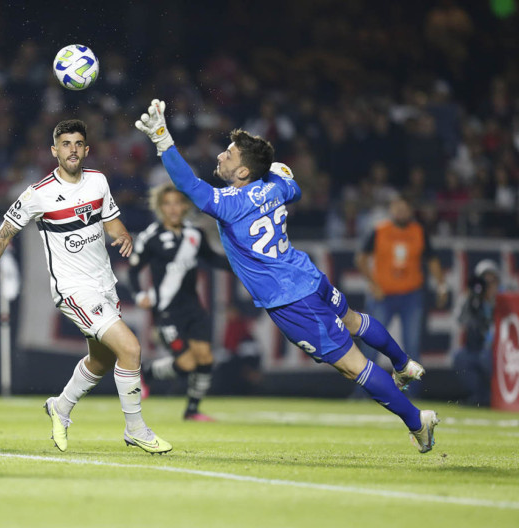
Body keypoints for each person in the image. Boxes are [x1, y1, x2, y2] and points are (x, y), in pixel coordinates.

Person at [135, 100, 439, 453]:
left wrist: (162, 139)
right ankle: (403, 363)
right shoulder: (277, 187)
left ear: (244, 171)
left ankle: (418, 421)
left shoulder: (230, 204)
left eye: (229, 154)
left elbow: (188, 184)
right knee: (354, 320)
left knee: (352, 366)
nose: (221, 156)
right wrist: (278, 169)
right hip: (308, 275)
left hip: (290, 299)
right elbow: (291, 184)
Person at [0, 119, 171, 454]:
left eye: (78, 143)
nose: (72, 149)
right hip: (73, 290)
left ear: (86, 149)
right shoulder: (38, 194)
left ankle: (61, 407)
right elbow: (4, 233)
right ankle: (135, 428)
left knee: (102, 360)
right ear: (54, 151)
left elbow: (110, 220)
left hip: (104, 284)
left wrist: (122, 234)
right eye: (65, 144)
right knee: (131, 349)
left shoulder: (98, 182)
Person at [128, 184, 231, 421]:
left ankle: (192, 410)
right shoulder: (150, 237)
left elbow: (213, 259)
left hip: (193, 308)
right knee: (185, 365)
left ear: (185, 206)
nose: (173, 209)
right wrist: (139, 295)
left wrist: (242, 268)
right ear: (160, 207)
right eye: (167, 204)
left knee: (205, 359)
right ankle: (146, 372)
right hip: (166, 311)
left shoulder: (195, 235)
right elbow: (134, 271)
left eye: (177, 203)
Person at [355, 194, 448, 395]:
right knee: (371, 344)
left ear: (411, 211)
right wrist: (373, 284)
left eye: (404, 209)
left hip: (411, 295)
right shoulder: (380, 230)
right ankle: (362, 393)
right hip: (383, 295)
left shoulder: (418, 231)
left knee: (412, 347)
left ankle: (413, 395)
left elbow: (432, 260)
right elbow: (361, 258)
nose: (401, 212)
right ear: (391, 210)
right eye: (397, 208)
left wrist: (441, 286)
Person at [453, 259, 500, 406]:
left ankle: (494, 397)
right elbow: (459, 320)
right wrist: (470, 298)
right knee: (460, 358)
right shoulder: (471, 299)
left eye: (491, 281)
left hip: (498, 351)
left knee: (486, 357)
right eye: (484, 281)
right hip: (475, 348)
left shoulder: (503, 298)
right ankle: (480, 397)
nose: (487, 285)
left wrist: (493, 299)